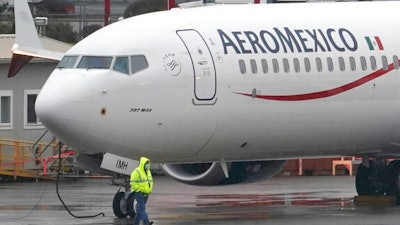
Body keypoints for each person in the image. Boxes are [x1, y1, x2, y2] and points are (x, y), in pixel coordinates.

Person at [130, 157, 154, 225]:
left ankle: (136, 222)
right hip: (139, 193)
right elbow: (133, 183)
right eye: (146, 164)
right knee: (142, 208)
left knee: (139, 208)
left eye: (148, 164)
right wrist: (138, 190)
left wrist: (150, 189)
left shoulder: (148, 172)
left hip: (146, 193)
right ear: (142, 164)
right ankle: (146, 222)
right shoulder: (136, 172)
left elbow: (150, 182)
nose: (148, 165)